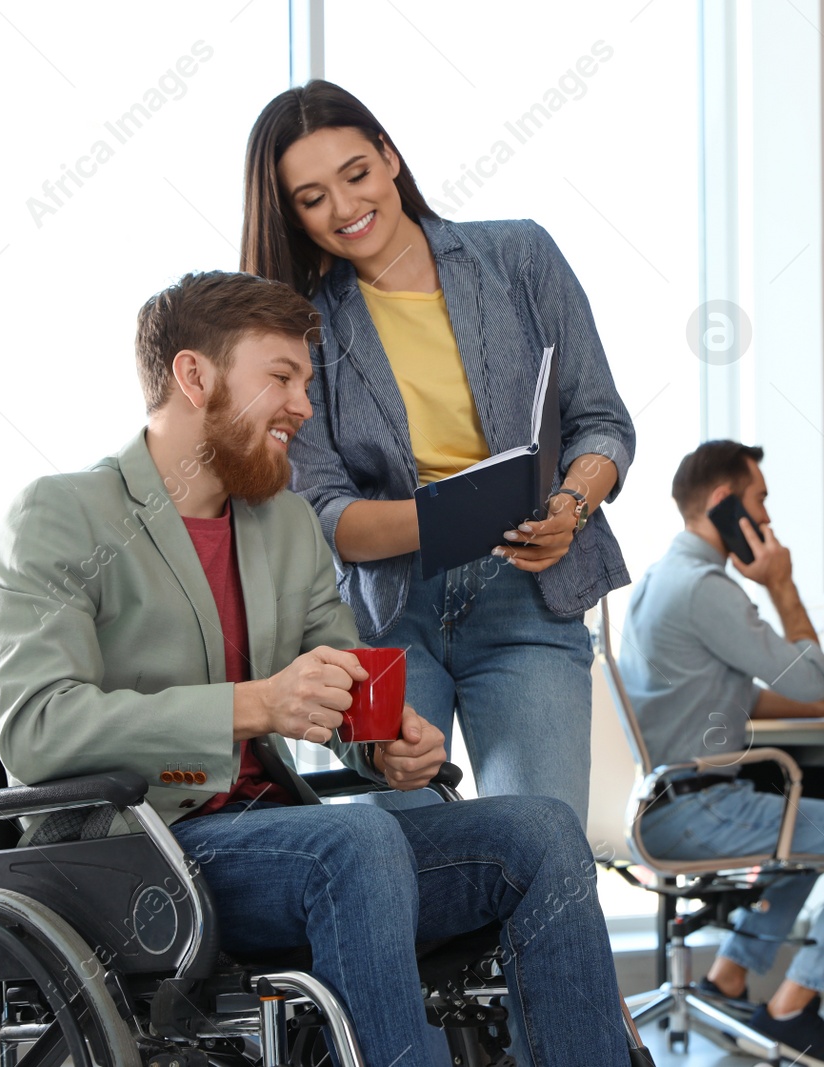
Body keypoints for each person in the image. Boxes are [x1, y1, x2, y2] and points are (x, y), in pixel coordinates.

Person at [0, 270, 637, 1067]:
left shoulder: (284, 521)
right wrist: (251, 706)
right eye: (281, 378)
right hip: (131, 851)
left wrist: (387, 737)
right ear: (195, 376)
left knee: (539, 829)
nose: (304, 406)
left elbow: (344, 674)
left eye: (306, 381)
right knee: (354, 840)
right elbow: (38, 730)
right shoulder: (62, 513)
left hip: (288, 839)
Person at [239, 80, 635, 825]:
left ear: (389, 157)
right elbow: (324, 513)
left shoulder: (518, 256)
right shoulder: (303, 328)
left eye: (356, 174)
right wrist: (463, 515)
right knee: (407, 871)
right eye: (312, 197)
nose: (347, 208)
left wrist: (572, 505)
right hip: (385, 621)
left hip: (528, 595)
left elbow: (601, 421)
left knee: (544, 847)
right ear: (291, 214)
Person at [618, 440, 824, 1067]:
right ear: (727, 505)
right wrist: (782, 583)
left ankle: (727, 980)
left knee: (806, 839)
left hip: (659, 803)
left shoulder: (657, 581)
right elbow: (806, 676)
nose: (769, 521)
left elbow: (738, 701)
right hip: (696, 808)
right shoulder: (707, 589)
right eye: (761, 501)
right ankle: (791, 1010)